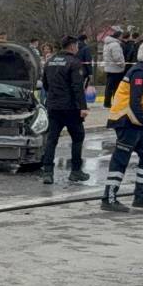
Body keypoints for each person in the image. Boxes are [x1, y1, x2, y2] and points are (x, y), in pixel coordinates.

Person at [103, 40, 143, 212]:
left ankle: (141, 196)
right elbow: (134, 102)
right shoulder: (140, 73)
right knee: (121, 159)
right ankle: (109, 198)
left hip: (137, 123)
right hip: (127, 121)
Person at [40, 36, 91, 186]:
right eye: (76, 45)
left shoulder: (50, 61)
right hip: (70, 108)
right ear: (72, 46)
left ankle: (48, 172)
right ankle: (75, 171)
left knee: (51, 140)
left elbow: (45, 84)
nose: (77, 48)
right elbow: (77, 87)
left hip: (54, 106)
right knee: (78, 137)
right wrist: (83, 107)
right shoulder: (74, 63)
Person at [101, 27, 125, 108]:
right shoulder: (115, 45)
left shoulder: (107, 44)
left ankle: (106, 103)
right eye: (121, 36)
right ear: (119, 36)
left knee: (109, 87)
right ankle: (116, 103)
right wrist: (123, 65)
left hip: (109, 68)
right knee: (116, 88)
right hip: (116, 69)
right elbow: (117, 57)